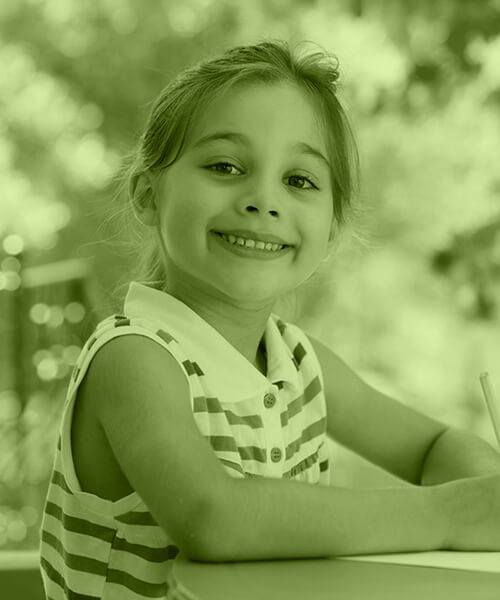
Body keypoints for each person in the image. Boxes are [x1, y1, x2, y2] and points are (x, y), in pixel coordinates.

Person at [38, 38, 500, 600]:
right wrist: (446, 515)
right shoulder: (133, 358)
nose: (263, 199)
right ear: (148, 195)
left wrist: (485, 491)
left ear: (331, 230)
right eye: (225, 166)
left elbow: (433, 446)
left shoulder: (299, 363)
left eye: (299, 180)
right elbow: (214, 516)